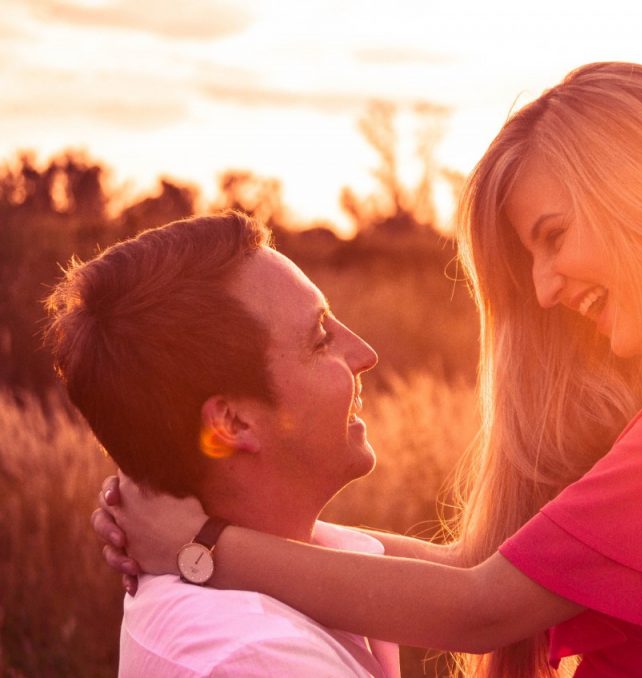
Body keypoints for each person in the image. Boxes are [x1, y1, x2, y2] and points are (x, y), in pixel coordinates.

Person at [93, 62, 642, 677]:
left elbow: (476, 608)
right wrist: (234, 526)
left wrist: (202, 545)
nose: (544, 287)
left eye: (554, 235)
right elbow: (475, 568)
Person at [46, 213, 401, 677]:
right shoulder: (255, 658)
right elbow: (490, 598)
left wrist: (200, 546)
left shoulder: (279, 566)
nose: (364, 353)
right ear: (232, 422)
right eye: (319, 338)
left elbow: (483, 572)